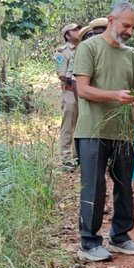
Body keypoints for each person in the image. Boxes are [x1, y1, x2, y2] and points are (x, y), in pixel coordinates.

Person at [73, 2, 134, 262]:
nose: (129, 31)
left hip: (123, 131)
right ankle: (89, 242)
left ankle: (120, 236)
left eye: (133, 27)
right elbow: (82, 89)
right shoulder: (88, 47)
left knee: (125, 185)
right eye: (125, 25)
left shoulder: (130, 54)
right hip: (92, 130)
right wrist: (115, 95)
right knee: (94, 186)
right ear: (111, 19)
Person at [56, 21, 81, 170]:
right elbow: (62, 75)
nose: (78, 30)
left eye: (78, 28)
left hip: (82, 92)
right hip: (70, 92)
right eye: (74, 29)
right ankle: (66, 159)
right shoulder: (63, 52)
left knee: (81, 125)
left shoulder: (85, 47)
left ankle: (78, 156)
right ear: (67, 35)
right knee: (68, 125)